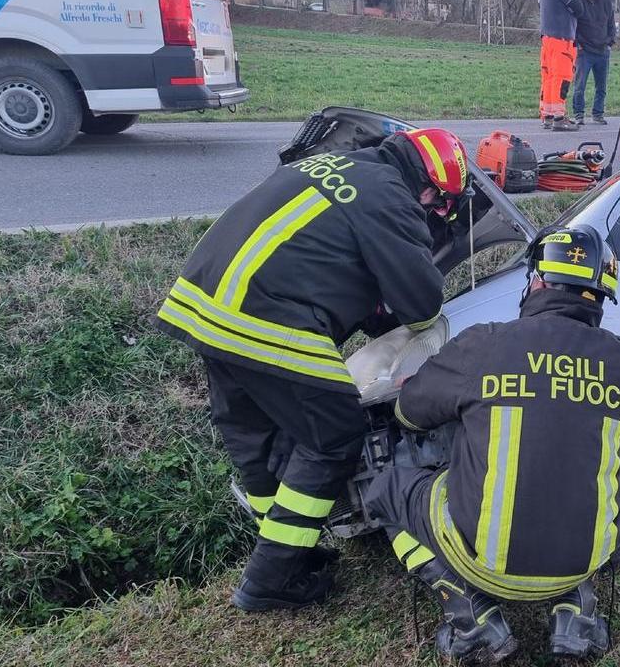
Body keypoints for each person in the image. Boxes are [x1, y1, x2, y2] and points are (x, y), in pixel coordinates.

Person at [156, 128, 473, 612]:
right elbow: (423, 303)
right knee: (336, 433)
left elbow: (325, 258)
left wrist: (372, 312)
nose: (433, 213)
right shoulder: (392, 197)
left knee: (255, 434)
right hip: (267, 318)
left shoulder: (335, 164)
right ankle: (269, 582)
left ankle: (287, 554)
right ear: (429, 189)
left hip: (204, 307)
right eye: (438, 206)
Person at [364, 226, 620, 664]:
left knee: (386, 488)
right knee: (573, 477)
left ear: (536, 281)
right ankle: (577, 616)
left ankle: (471, 618)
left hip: (482, 564)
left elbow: (409, 413)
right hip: (585, 561)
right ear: (600, 296)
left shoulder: (486, 343)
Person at [538, 0, 585, 131]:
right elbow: (578, 9)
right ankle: (559, 118)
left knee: (548, 78)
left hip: (547, 39)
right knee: (562, 78)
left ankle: (547, 116)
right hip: (562, 40)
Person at [572, 0, 617, 126]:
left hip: (603, 51)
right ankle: (579, 115)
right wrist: (578, 44)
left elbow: (611, 23)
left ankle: (598, 114)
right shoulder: (579, 1)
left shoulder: (606, 2)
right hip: (584, 51)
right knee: (580, 86)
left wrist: (610, 41)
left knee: (601, 86)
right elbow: (573, 26)